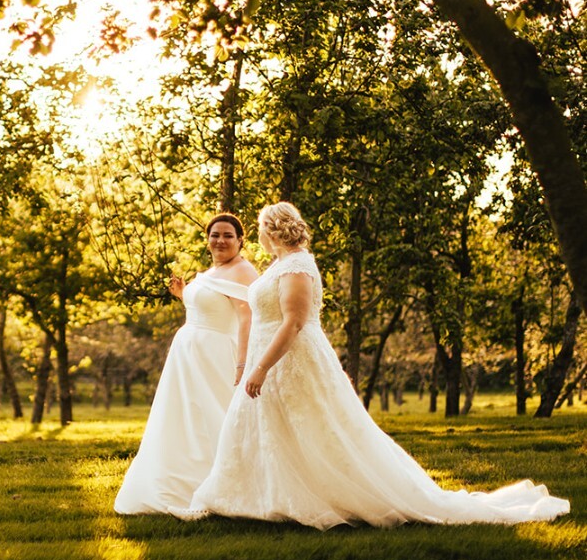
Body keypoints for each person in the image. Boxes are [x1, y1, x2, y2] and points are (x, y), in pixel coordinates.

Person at [181, 202, 570, 530]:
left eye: (261, 228)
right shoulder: (281, 263)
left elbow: (294, 323)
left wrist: (260, 368)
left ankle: (320, 495)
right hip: (272, 356)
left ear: (271, 230)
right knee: (267, 428)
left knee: (317, 430)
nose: (260, 236)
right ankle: (254, 496)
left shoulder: (296, 267)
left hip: (290, 359)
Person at [114, 213, 258, 514]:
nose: (220, 240)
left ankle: (224, 486)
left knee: (213, 414)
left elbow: (247, 319)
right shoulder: (213, 271)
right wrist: (184, 295)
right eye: (215, 235)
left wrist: (242, 363)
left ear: (240, 240)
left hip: (215, 355)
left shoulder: (243, 270)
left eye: (228, 235)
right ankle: (180, 480)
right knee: (186, 417)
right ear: (207, 239)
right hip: (187, 356)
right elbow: (212, 307)